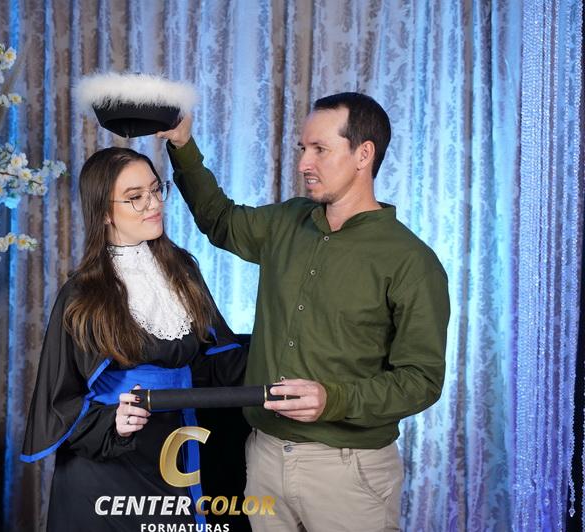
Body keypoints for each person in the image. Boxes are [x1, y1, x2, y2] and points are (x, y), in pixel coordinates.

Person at [157, 92, 450, 531]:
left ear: (363, 154)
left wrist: (334, 399)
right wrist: (182, 143)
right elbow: (220, 219)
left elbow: (421, 381)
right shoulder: (287, 222)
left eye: (319, 149)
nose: (303, 164)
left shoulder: (412, 262)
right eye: (302, 148)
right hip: (264, 457)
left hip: (349, 472)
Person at [21, 146, 247, 531]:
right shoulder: (82, 295)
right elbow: (59, 403)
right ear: (104, 213)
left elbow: (216, 360)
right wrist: (113, 421)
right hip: (107, 473)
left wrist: (290, 349)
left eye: (156, 190)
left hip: (176, 450)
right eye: (135, 197)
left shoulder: (183, 271)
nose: (153, 204)